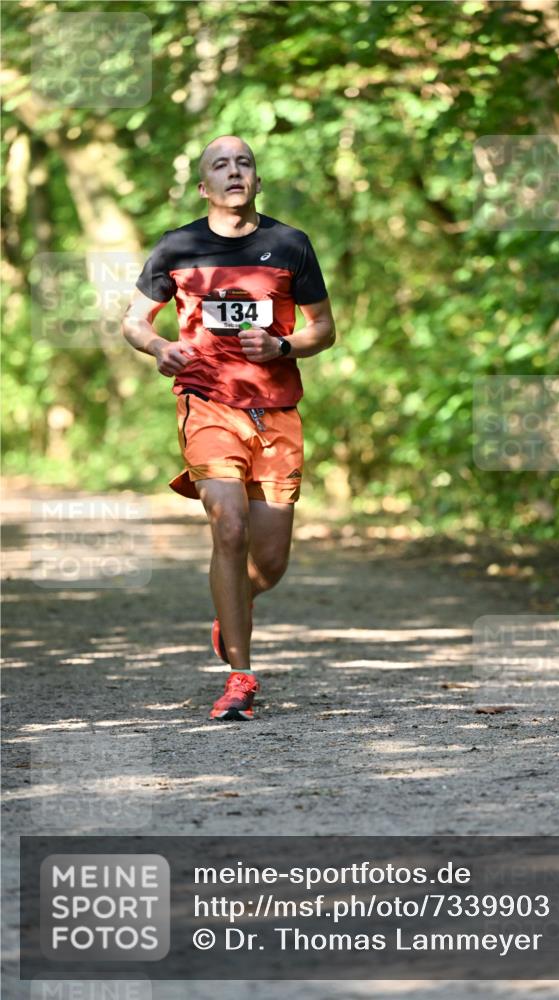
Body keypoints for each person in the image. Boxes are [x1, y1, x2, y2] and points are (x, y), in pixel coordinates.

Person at [121, 135, 335, 721]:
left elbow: (323, 328)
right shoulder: (178, 246)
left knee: (268, 563)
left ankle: (231, 606)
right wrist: (159, 347)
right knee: (229, 526)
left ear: (257, 182)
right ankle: (240, 676)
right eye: (221, 164)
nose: (234, 171)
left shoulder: (291, 245)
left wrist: (282, 343)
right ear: (204, 186)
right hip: (207, 403)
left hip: (277, 413)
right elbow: (134, 321)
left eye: (244, 163)